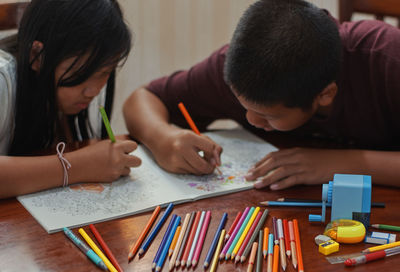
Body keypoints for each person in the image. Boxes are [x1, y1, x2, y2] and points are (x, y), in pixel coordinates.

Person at [124, 0, 400, 190]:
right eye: (242, 104)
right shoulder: (244, 68)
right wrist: (164, 139)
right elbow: (143, 98)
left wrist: (344, 164)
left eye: (269, 115)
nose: (251, 119)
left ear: (325, 94)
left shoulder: (387, 59)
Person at [0, 0, 141, 199]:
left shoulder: (59, 93)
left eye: (104, 72)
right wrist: (79, 166)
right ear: (37, 55)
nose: (92, 91)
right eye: (80, 73)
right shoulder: (2, 78)